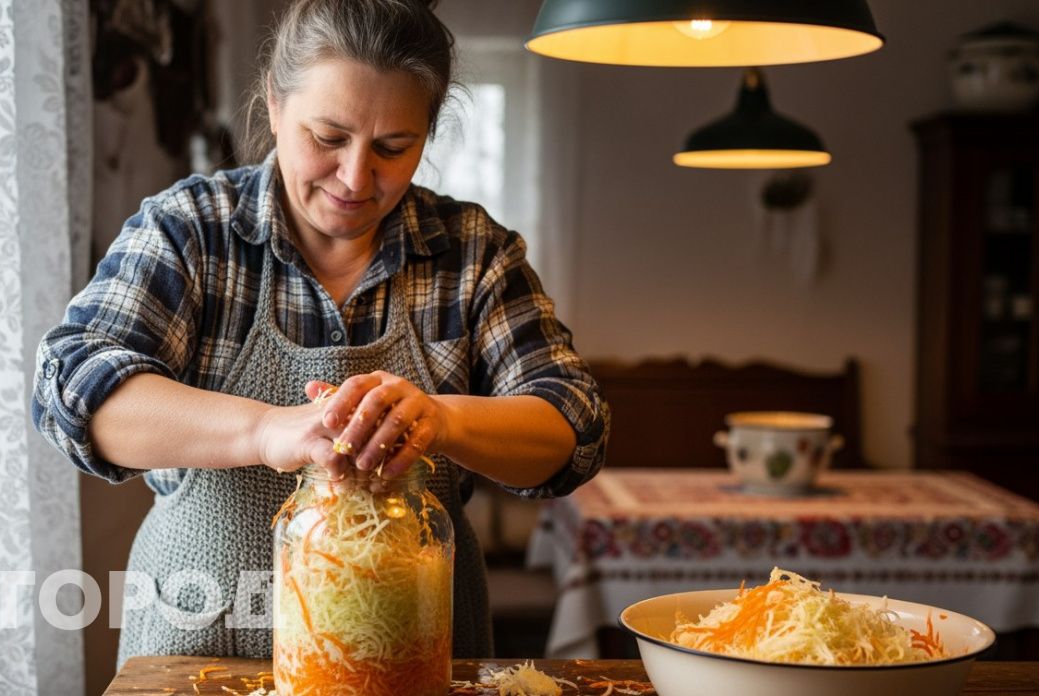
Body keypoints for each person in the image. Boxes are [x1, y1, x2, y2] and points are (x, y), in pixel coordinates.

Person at [32, 0, 609, 665]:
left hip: (412, 663)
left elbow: (576, 427)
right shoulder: (190, 230)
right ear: (275, 105)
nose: (357, 178)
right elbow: (70, 387)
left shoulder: (471, 252)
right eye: (328, 137)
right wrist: (265, 430)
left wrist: (440, 421)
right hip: (200, 655)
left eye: (394, 148)